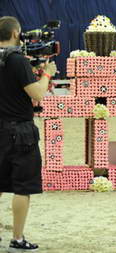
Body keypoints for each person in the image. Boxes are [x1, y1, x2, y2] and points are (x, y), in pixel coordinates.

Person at [0, 16, 57, 251]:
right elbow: (37, 94)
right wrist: (47, 74)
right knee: (23, 187)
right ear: (15, 34)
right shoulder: (17, 60)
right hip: (20, 131)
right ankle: (18, 238)